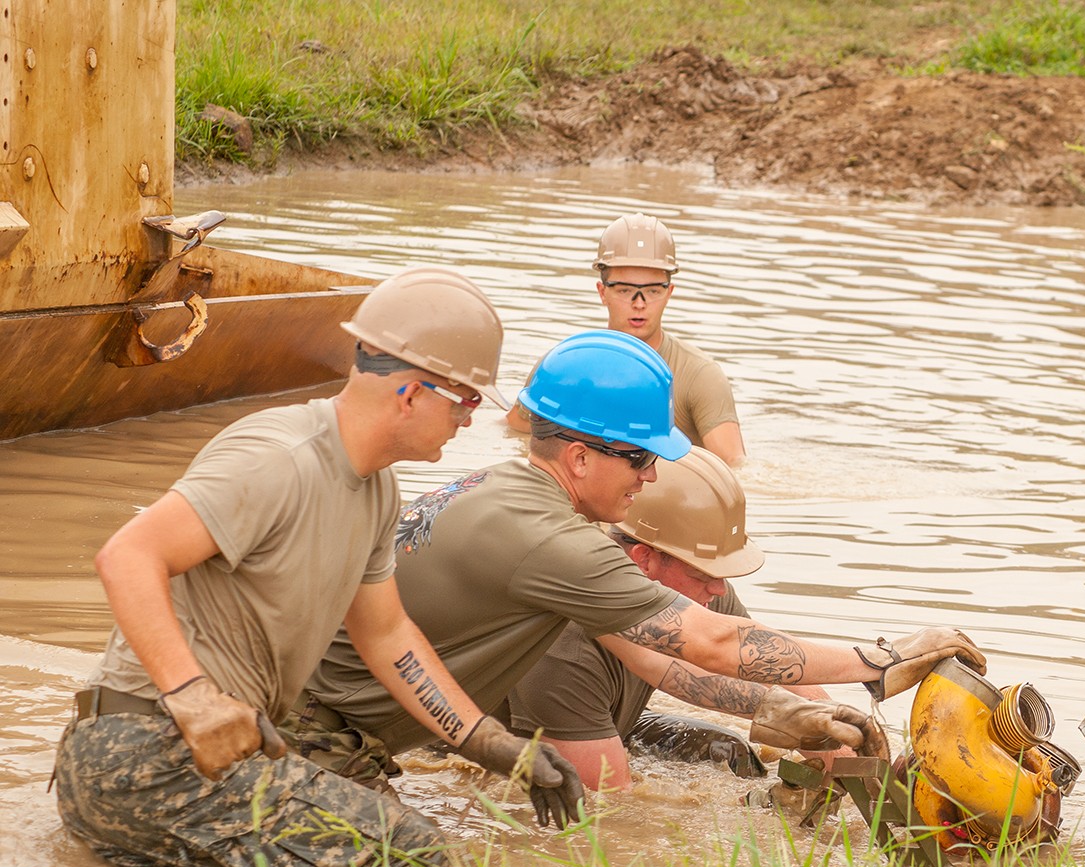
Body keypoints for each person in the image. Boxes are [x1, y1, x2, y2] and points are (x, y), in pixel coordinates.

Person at [54, 267, 586, 867]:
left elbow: (388, 637)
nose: (470, 420)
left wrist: (494, 747)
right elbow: (127, 556)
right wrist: (193, 697)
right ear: (411, 393)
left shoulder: (376, 488)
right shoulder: (279, 458)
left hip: (191, 762)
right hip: (147, 749)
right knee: (413, 853)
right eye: (466, 400)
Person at [287, 328, 980, 796]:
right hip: (312, 735)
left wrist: (837, 745)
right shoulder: (552, 550)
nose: (649, 476)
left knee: (728, 755)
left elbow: (669, 658)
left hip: (377, 713)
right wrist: (882, 659)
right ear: (581, 458)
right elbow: (615, 803)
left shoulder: (547, 512)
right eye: (640, 457)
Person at [507, 446, 852, 789]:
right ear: (645, 560)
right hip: (519, 744)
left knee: (729, 752)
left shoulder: (698, 589)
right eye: (705, 575)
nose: (720, 590)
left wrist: (857, 758)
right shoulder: (566, 643)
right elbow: (608, 803)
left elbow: (776, 674)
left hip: (614, 721)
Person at [507, 213, 746, 465]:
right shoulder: (563, 365)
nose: (639, 304)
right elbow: (512, 433)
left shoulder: (699, 374)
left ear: (669, 294)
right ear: (603, 292)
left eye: (652, 291)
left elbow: (735, 469)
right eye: (625, 290)